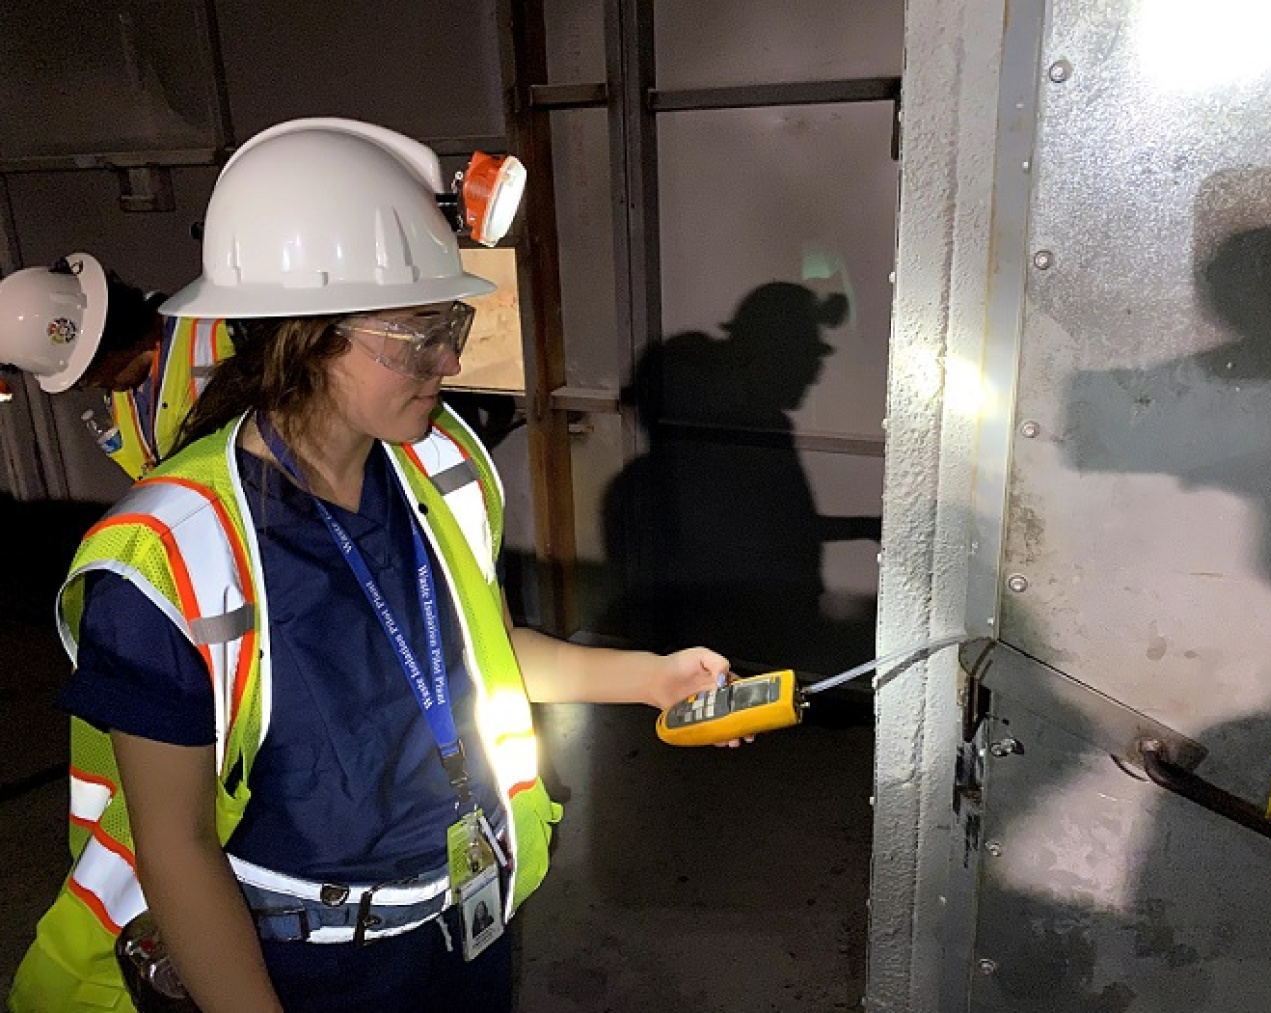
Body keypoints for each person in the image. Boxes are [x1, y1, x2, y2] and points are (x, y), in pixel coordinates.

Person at [8, 118, 732, 1013]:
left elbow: (487, 649)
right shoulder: (169, 557)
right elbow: (175, 846)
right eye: (415, 335)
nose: (451, 361)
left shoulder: (437, 468)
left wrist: (651, 678)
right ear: (303, 334)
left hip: (462, 930)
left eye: (450, 324)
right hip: (299, 969)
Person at [0, 253, 234, 478]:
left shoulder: (218, 332)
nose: (94, 386)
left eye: (87, 376)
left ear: (110, 342)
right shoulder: (118, 399)